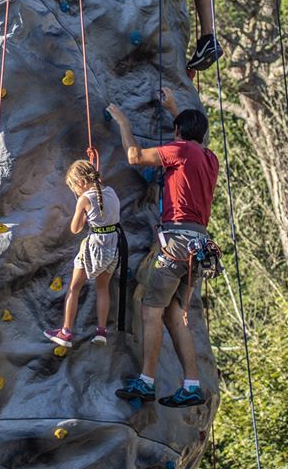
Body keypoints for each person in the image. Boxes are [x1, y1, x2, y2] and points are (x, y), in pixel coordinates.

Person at [106, 88, 219, 408]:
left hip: (175, 242)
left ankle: (146, 381)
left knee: (150, 309)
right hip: (198, 245)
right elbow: (193, 140)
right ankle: (192, 383)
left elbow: (134, 157)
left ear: (179, 134)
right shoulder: (210, 159)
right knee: (172, 313)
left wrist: (124, 123)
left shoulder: (180, 150)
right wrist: (175, 110)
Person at [43, 160, 121, 349]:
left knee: (74, 288)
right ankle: (101, 331)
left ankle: (66, 331)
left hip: (93, 247)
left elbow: (75, 229)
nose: (75, 192)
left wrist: (83, 215)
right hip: (113, 245)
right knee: (103, 289)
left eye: (73, 187)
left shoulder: (85, 199)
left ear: (80, 182)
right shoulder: (111, 192)